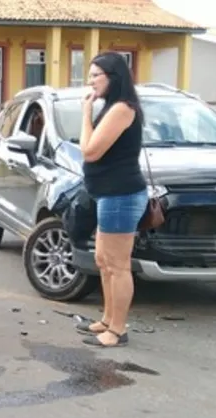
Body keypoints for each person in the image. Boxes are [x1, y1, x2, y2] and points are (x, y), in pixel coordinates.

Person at [75, 52, 147, 348]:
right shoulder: (112, 107)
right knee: (103, 261)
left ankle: (117, 330)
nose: (90, 81)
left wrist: (85, 114)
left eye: (96, 75)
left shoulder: (121, 109)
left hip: (121, 195)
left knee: (118, 265)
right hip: (109, 195)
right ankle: (107, 319)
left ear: (113, 77)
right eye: (90, 75)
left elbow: (90, 151)